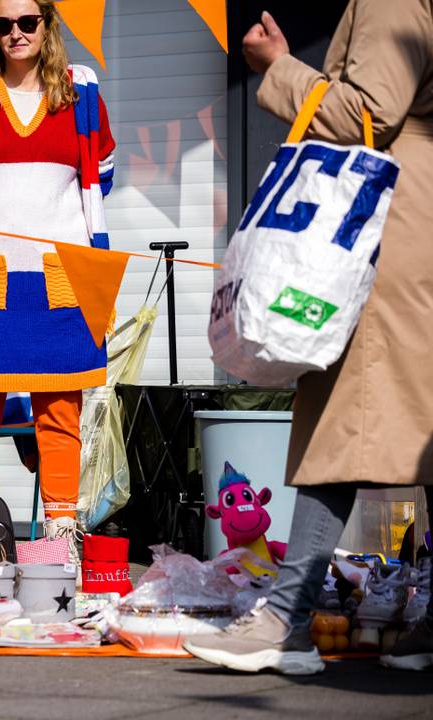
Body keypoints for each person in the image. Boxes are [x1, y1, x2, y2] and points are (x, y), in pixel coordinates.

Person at [184, 2, 433, 675]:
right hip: (415, 209)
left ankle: (285, 620)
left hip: (387, 216)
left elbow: (368, 116)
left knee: (340, 411)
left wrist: (279, 70)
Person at [0, 0, 116, 564]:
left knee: (60, 408)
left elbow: (102, 175)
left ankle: (61, 539)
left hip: (62, 274)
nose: (15, 33)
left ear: (48, 26)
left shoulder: (81, 95)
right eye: (4, 24)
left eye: (27, 22)